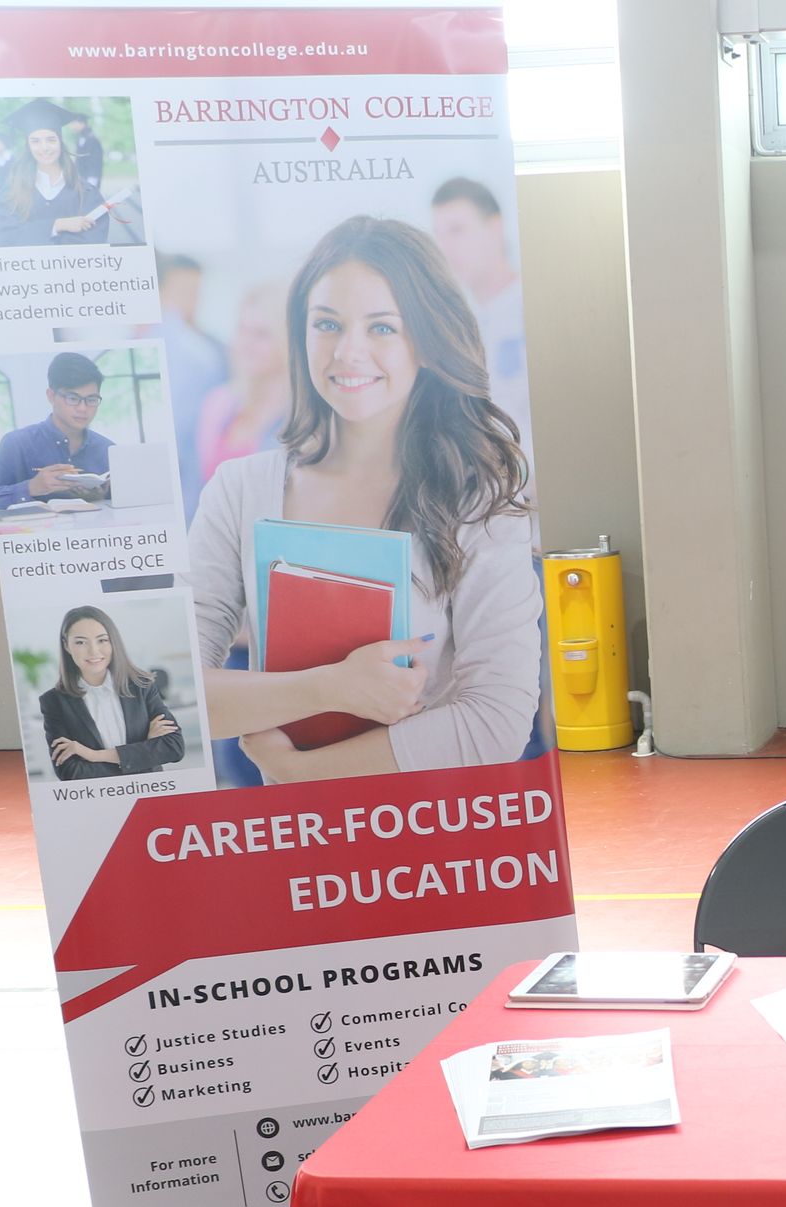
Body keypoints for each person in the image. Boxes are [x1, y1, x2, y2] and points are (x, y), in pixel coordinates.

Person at [186, 214, 539, 783]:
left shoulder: (477, 500)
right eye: (327, 324)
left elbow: (495, 722)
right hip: (288, 831)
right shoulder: (240, 489)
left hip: (429, 828)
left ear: (426, 340)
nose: (348, 352)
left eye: (381, 328)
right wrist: (330, 687)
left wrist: (301, 776)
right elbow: (176, 697)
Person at [428, 177, 534, 448]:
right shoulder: (456, 325)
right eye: (439, 234)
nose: (445, 247)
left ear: (495, 227)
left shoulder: (534, 308)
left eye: (457, 230)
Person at [38, 606, 184, 780]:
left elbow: (174, 747)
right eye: (80, 642)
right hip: (98, 795)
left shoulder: (141, 685)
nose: (93, 651)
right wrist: (144, 749)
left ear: (113, 642)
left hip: (151, 788)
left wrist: (93, 756)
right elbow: (71, 773)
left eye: (102, 640)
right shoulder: (53, 701)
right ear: (66, 645)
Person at [193, 281, 289, 496]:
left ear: (288, 340)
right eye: (242, 330)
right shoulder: (218, 402)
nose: (246, 343)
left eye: (262, 334)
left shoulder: (304, 418)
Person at [0, 351, 112, 515]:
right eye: (73, 398)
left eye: (91, 400)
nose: (83, 408)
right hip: (34, 532)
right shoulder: (16, 444)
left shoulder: (107, 449)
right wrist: (31, 487)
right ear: (51, 396)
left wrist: (100, 497)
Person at [149, 254, 228, 508]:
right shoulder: (146, 344)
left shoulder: (213, 352)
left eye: (196, 293)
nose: (192, 302)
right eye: (183, 292)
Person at [0, 98, 110, 247]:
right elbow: (6, 237)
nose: (44, 148)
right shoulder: (8, 193)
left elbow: (93, 240)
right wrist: (57, 225)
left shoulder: (87, 193)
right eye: (35, 141)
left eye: (51, 140)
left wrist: (36, 234)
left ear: (60, 142)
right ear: (28, 146)